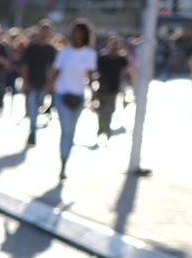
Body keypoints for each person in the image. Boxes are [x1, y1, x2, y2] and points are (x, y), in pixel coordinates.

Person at [51, 19, 97, 181]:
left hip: (78, 96)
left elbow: (91, 77)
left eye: (80, 33)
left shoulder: (89, 54)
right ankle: (62, 162)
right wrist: (48, 90)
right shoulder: (65, 52)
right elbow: (55, 72)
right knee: (66, 130)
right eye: (75, 32)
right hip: (62, 94)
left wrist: (94, 96)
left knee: (72, 132)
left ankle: (66, 159)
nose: (77, 36)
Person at [20, 20, 57, 147]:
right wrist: (25, 82)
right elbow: (25, 65)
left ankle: (33, 130)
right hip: (32, 82)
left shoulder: (51, 49)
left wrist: (51, 83)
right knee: (32, 108)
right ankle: (32, 133)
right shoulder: (32, 48)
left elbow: (53, 68)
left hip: (43, 83)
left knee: (38, 107)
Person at [94, 35, 131, 142]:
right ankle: (101, 128)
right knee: (101, 110)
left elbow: (128, 72)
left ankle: (106, 129)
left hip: (114, 89)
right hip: (102, 88)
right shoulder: (102, 58)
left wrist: (130, 86)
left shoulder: (121, 59)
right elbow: (95, 72)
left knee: (110, 110)